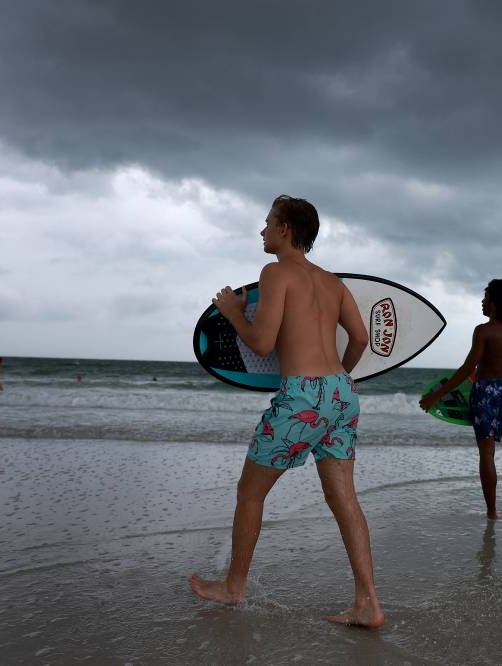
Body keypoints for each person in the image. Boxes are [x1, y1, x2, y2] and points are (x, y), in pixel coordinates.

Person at [188, 195, 385, 629]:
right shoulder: (333, 282)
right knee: (344, 498)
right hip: (341, 394)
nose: (262, 231)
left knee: (250, 492)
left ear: (286, 230)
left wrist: (233, 312)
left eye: (267, 223)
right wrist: (336, 381)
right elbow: (359, 338)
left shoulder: (275, 273)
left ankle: (233, 587)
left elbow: (261, 343)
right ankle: (368, 602)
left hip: (302, 396)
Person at [419, 279, 502, 520]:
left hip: (486, 393)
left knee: (487, 454)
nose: (482, 301)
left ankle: (492, 512)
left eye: (486, 296)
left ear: (495, 302)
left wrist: (435, 396)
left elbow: (468, 368)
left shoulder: (484, 331)